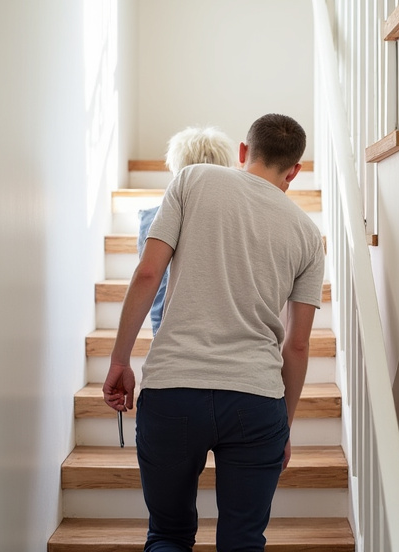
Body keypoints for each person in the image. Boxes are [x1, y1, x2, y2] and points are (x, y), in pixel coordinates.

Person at [102, 113, 325, 552]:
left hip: (172, 391)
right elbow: (296, 345)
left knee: (167, 534)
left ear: (243, 152)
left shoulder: (192, 180)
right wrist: (284, 426)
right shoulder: (308, 234)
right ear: (294, 171)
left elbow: (148, 274)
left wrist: (119, 360)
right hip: (256, 401)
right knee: (243, 541)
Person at [137, 126, 237, 335]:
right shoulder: (239, 218)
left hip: (172, 335)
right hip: (228, 333)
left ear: (176, 168)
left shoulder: (152, 219)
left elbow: (154, 286)